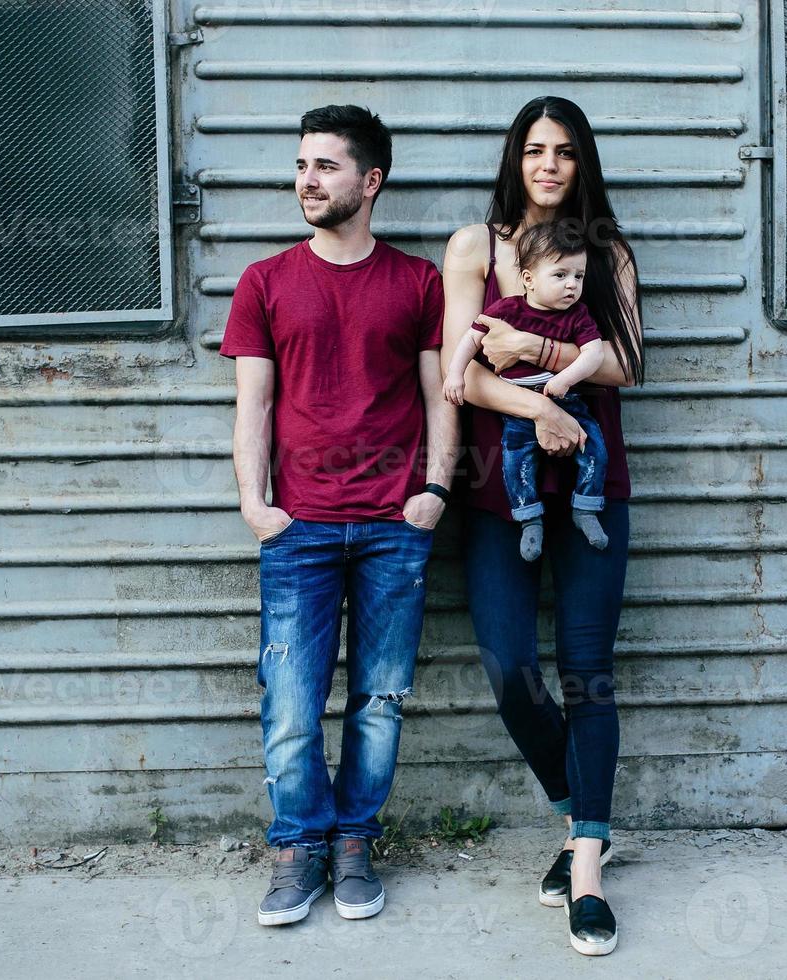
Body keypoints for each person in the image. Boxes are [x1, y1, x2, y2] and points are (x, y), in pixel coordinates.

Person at [220, 104, 457, 927]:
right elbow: (252, 407)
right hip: (301, 529)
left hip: (395, 526)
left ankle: (354, 840)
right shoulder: (265, 283)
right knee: (289, 701)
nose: (306, 181)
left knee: (380, 698)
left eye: (324, 166)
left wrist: (436, 490)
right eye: (300, 166)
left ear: (371, 181)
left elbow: (440, 399)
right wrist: (256, 504)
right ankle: (298, 847)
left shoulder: (418, 283)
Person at [441, 95, 644, 957]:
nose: (550, 165)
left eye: (564, 151)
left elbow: (628, 365)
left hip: (596, 494)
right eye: (534, 150)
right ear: (514, 159)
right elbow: (462, 377)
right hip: (500, 492)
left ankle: (587, 867)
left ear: (581, 161)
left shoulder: (608, 252)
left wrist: (544, 357)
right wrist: (542, 409)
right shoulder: (473, 248)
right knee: (510, 667)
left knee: (589, 672)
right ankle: (583, 817)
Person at [442, 220, 608, 560]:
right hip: (517, 407)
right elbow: (470, 340)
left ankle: (586, 507)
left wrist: (564, 379)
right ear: (529, 279)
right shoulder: (508, 310)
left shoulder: (578, 316)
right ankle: (529, 519)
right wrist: (456, 374)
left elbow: (595, 354)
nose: (572, 285)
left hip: (569, 401)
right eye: (560, 275)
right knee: (515, 464)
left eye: (578, 276)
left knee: (594, 451)